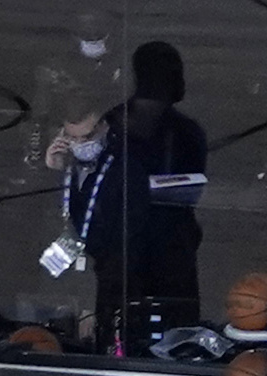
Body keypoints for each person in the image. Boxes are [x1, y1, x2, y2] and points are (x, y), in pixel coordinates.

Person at [64, 44, 210, 342]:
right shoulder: (111, 125)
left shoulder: (183, 132)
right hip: (129, 258)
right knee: (125, 334)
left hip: (165, 258)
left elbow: (190, 192)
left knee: (170, 335)